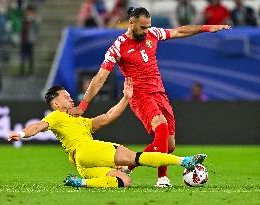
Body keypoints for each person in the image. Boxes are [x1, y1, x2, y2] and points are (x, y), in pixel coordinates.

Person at [67, 7, 229, 187]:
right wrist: (83, 105)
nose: (146, 31)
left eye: (148, 27)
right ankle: (162, 178)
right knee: (161, 126)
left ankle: (129, 166)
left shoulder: (153, 34)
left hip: (159, 92)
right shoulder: (118, 46)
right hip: (140, 95)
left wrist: (207, 28)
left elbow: (179, 31)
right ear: (131, 23)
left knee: (169, 145)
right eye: (143, 28)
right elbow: (99, 79)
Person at [7, 78, 207, 188]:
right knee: (134, 157)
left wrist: (126, 99)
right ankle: (184, 161)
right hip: (87, 149)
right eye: (66, 97)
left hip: (83, 165)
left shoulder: (80, 121)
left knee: (124, 181)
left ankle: (81, 183)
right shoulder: (56, 116)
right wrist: (22, 134)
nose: (71, 99)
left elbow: (108, 116)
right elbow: (37, 127)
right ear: (56, 103)